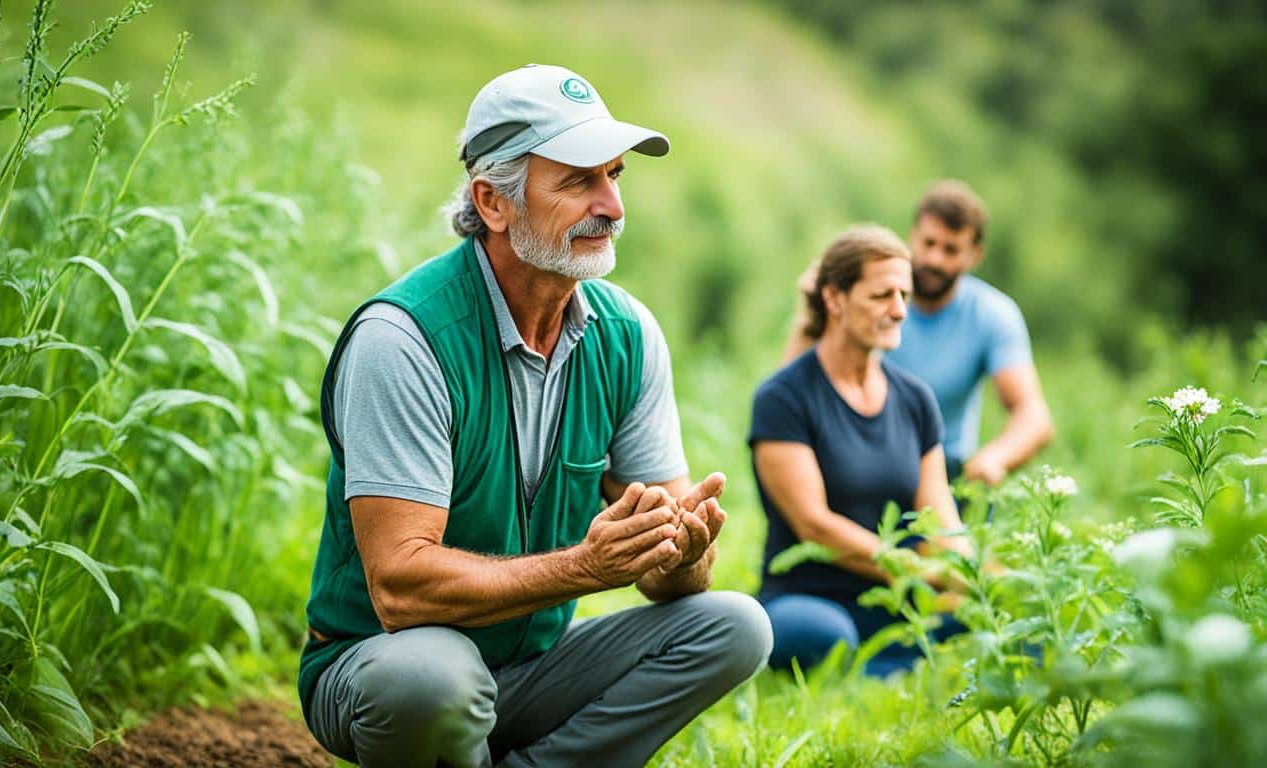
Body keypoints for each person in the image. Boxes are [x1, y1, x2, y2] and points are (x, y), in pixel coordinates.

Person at [298, 64, 772, 768]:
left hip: (531, 667)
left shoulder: (628, 335)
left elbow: (666, 584)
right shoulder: (404, 340)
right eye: (579, 180)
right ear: (493, 202)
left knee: (735, 626)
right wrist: (585, 567)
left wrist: (679, 554)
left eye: (615, 176)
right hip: (382, 667)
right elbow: (399, 588)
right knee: (433, 677)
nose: (611, 205)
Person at [752, 226, 971, 674]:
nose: (898, 310)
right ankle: (892, 665)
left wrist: (971, 572)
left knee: (1000, 619)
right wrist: (915, 570)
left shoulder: (915, 399)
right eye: (881, 296)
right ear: (834, 299)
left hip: (895, 598)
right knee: (827, 636)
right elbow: (814, 525)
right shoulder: (783, 398)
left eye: (904, 296)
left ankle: (890, 666)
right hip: (808, 600)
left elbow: (940, 515)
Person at [783, 181, 1053, 485]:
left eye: (951, 250)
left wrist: (995, 457)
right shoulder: (869, 297)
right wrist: (811, 316)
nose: (934, 259)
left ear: (974, 255)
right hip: (856, 457)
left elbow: (1033, 415)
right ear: (912, 237)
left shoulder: (992, 315)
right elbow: (792, 389)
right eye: (928, 243)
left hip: (945, 466)